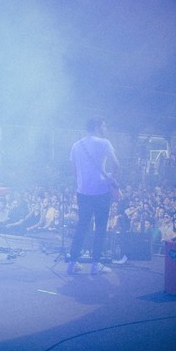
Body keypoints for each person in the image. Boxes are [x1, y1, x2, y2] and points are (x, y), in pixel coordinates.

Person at [67, 117, 120, 275]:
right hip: (100, 192)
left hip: (83, 192)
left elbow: (74, 171)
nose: (106, 128)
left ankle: (72, 262)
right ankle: (96, 264)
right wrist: (109, 180)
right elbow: (116, 165)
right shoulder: (104, 143)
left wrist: (84, 182)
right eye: (104, 125)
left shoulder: (76, 145)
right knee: (100, 228)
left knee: (82, 227)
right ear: (98, 127)